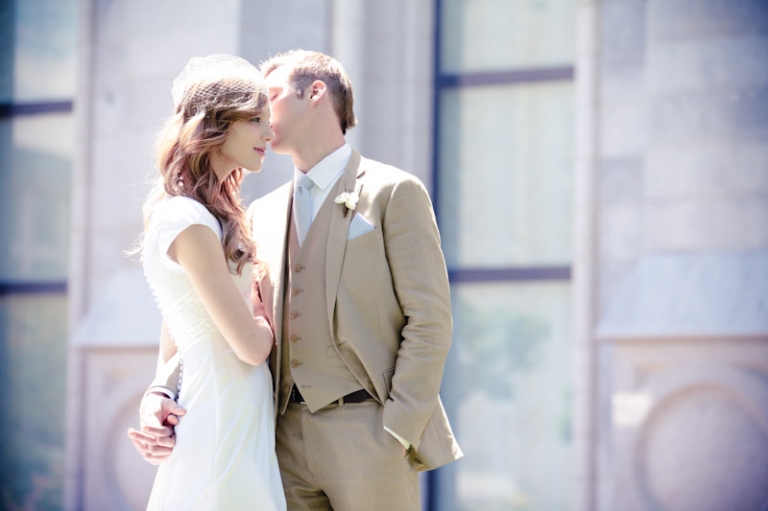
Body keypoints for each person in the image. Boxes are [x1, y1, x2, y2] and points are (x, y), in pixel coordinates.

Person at [132, 49, 462, 510]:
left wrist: (397, 427)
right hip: (274, 441)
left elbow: (430, 320)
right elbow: (200, 314)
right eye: (255, 112)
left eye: (270, 98)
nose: (265, 119)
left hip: (370, 436)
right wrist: (161, 390)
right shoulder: (256, 213)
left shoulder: (393, 192)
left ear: (315, 93)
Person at [126, 54, 286, 511]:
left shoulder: (200, 215)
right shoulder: (188, 220)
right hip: (222, 413)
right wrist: (263, 300)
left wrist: (159, 389)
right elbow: (252, 348)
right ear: (216, 123)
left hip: (232, 408)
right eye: (256, 120)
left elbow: (183, 318)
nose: (269, 135)